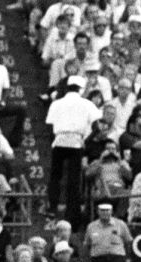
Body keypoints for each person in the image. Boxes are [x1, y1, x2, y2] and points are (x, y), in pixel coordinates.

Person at [45, 76, 101, 221]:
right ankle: (72, 212)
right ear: (80, 89)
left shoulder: (56, 103)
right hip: (76, 142)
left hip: (59, 140)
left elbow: (50, 126)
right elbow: (97, 127)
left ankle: (52, 207)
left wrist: (55, 141)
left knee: (55, 176)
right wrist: (85, 141)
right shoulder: (87, 104)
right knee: (73, 179)